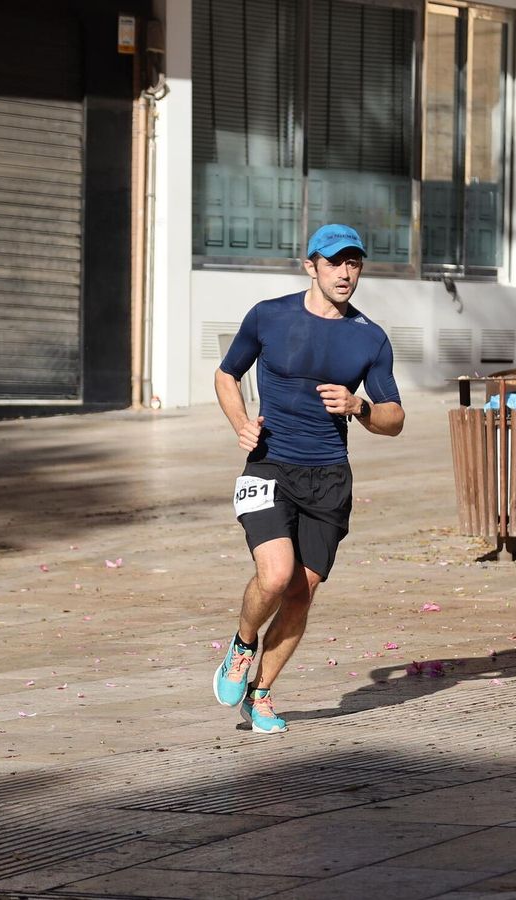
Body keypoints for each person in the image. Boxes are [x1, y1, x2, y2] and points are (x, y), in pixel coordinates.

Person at [212, 223, 405, 733]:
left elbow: (395, 418)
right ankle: (242, 644)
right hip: (271, 464)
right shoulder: (268, 316)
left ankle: (261, 694)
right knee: (274, 575)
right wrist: (242, 425)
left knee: (301, 591)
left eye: (354, 263)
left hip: (328, 478)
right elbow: (226, 374)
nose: (345, 273)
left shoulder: (369, 338)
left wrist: (359, 405)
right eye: (335, 262)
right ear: (310, 266)